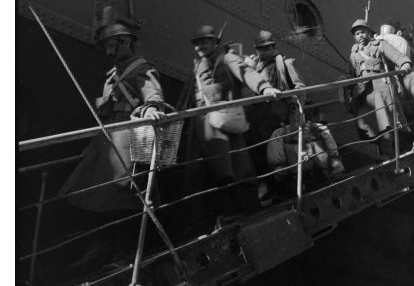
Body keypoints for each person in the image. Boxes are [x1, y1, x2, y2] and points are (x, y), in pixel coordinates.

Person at [59, 19, 166, 272]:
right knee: (96, 193)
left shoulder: (141, 68)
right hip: (107, 139)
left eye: (113, 44)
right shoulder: (112, 75)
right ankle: (100, 247)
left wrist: (151, 107)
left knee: (124, 195)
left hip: (128, 137)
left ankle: (124, 252)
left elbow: (153, 94)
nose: (109, 50)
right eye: (106, 46)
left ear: (127, 42)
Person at [190, 25, 281, 225]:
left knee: (233, 170)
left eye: (205, 41)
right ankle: (232, 213)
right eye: (197, 43)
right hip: (208, 124)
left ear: (215, 42)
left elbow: (246, 72)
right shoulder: (198, 66)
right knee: (221, 170)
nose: (200, 46)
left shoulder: (227, 58)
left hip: (228, 121)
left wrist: (264, 88)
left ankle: (240, 212)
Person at [347, 19, 412, 159]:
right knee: (364, 123)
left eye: (363, 32)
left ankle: (387, 153)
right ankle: (390, 148)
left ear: (369, 33)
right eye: (357, 33)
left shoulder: (380, 44)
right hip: (364, 92)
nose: (360, 35)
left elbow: (397, 56)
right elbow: (351, 75)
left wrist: (405, 64)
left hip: (382, 87)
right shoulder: (354, 54)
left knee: (385, 120)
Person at [243, 31, 305, 175]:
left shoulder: (284, 64)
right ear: (256, 49)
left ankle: (286, 186)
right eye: (261, 48)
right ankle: (269, 187)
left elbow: (300, 88)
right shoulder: (254, 66)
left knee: (280, 153)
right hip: (258, 118)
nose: (265, 51)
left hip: (278, 116)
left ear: (273, 47)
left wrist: (296, 113)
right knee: (261, 154)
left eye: (268, 47)